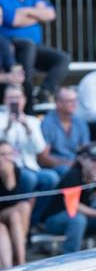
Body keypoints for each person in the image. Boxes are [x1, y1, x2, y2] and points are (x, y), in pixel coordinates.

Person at [0, 0, 71, 110]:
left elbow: (51, 14)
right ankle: (28, 103)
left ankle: (44, 93)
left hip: (33, 47)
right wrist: (37, 16)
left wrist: (25, 11)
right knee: (28, 47)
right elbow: (13, 19)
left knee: (63, 59)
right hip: (11, 46)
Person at [42, 143, 96, 252]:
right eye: (94, 160)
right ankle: (71, 258)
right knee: (78, 220)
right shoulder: (73, 175)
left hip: (81, 218)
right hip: (54, 220)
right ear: (82, 160)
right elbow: (74, 206)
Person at [0, 84, 60, 220]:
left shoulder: (32, 121)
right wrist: (8, 127)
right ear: (4, 100)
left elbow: (39, 149)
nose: (14, 101)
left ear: (24, 100)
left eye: (18, 97)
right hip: (10, 168)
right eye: (11, 98)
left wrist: (27, 128)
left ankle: (33, 218)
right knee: (29, 178)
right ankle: (20, 214)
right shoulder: (1, 119)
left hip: (31, 166)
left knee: (52, 178)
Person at [41, 87, 90, 170]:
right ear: (58, 103)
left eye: (75, 100)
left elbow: (86, 149)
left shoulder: (80, 122)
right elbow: (43, 158)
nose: (74, 104)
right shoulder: (47, 123)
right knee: (66, 170)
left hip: (75, 163)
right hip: (55, 166)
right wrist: (69, 164)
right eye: (70, 101)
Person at [0, 138, 30, 267]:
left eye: (9, 154)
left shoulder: (14, 170)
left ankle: (21, 263)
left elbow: (13, 200)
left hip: (5, 212)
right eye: (2, 154)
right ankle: (8, 268)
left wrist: (8, 176)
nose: (7, 158)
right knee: (1, 230)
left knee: (22, 208)